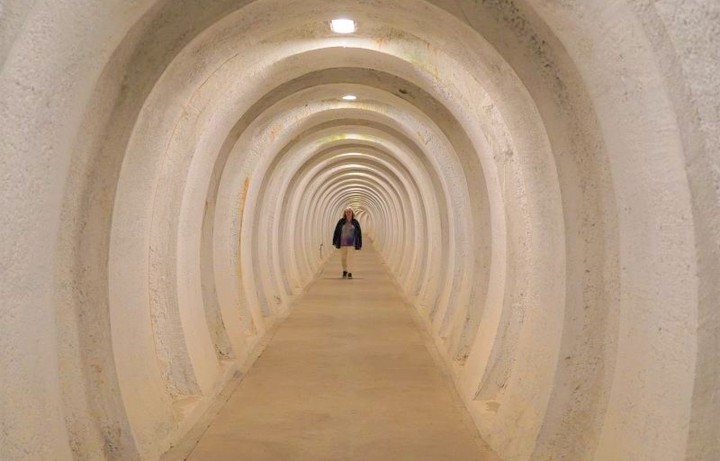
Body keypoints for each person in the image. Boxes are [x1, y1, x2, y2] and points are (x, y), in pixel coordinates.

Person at [332, 207, 362, 279]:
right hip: (343, 243)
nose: (348, 213)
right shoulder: (341, 221)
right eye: (347, 212)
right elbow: (336, 231)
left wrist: (360, 244)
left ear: (352, 213)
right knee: (343, 258)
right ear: (345, 213)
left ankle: (350, 272)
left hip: (352, 244)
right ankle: (345, 270)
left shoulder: (355, 222)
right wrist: (334, 241)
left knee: (350, 258)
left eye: (349, 212)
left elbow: (359, 233)